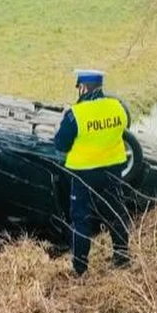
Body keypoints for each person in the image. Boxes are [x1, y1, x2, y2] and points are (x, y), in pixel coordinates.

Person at [53, 69, 133, 276]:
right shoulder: (117, 106)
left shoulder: (76, 114)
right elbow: (125, 126)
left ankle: (80, 269)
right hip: (113, 170)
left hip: (84, 174)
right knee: (116, 212)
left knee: (81, 219)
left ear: (84, 87)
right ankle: (122, 257)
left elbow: (61, 144)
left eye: (79, 87)